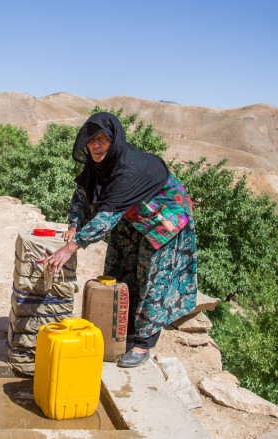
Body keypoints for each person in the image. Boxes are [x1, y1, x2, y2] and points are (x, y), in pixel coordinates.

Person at [43, 112, 197, 368]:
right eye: (92, 139)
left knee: (152, 281)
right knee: (119, 271)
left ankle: (142, 344)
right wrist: (73, 224)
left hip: (163, 223)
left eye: (103, 139)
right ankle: (121, 330)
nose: (97, 145)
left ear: (115, 141)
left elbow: (106, 218)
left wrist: (69, 248)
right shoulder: (96, 168)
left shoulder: (128, 169)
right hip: (131, 220)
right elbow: (80, 196)